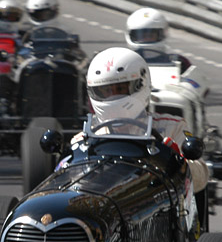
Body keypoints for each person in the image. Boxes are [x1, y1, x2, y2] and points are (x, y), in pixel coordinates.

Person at [77, 46, 209, 192]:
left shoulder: (171, 128)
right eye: (105, 91)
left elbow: (201, 178)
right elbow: (70, 181)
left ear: (141, 84)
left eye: (120, 89)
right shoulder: (85, 138)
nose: (113, 96)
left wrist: (178, 163)